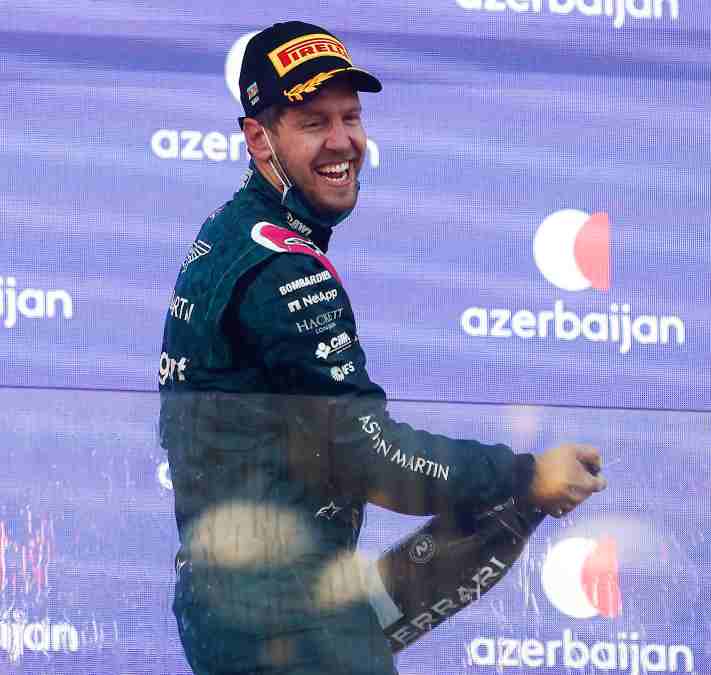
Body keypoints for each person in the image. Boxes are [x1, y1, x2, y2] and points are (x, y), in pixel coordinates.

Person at [158, 21, 606, 675]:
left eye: (351, 116)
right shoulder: (282, 268)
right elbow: (374, 456)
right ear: (260, 138)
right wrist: (526, 477)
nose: (343, 141)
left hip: (249, 605)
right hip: (284, 620)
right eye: (313, 121)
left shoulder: (234, 233)